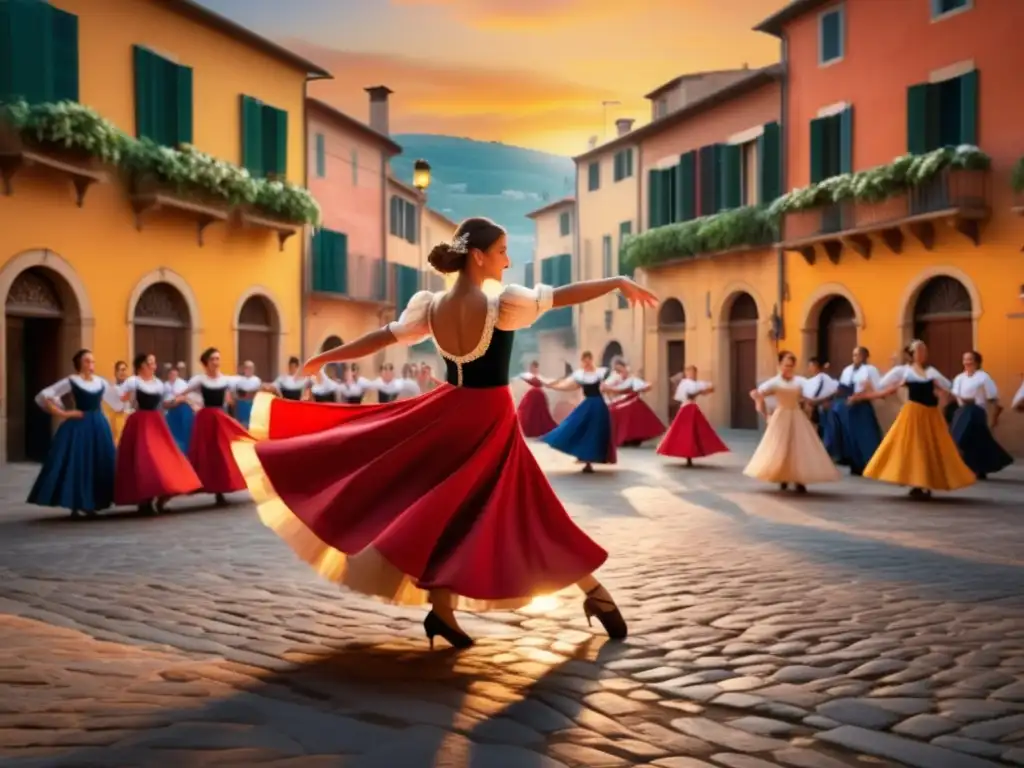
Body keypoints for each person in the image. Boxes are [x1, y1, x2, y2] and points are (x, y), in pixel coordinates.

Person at [230, 217, 657, 649]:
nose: (508, 261)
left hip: (450, 413)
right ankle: (593, 593)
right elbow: (563, 296)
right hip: (488, 419)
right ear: (478, 256)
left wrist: (327, 358)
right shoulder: (502, 305)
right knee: (523, 505)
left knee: (453, 510)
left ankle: (444, 610)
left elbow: (381, 338)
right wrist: (618, 281)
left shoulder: (431, 307)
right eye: (502, 251)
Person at [854, 339, 975, 499]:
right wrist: (892, 383)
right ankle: (918, 483)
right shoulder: (904, 371)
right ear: (911, 354)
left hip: (931, 414)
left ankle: (926, 483)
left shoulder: (931, 372)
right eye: (919, 351)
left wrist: (941, 390)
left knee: (932, 448)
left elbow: (947, 385)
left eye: (924, 351)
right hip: (914, 413)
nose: (923, 354)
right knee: (916, 448)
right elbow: (882, 384)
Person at [28, 349, 124, 517]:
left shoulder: (101, 382)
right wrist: (65, 414)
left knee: (98, 461)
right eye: (87, 361)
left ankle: (93, 501)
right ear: (79, 363)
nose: (91, 364)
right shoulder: (72, 381)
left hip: (98, 425)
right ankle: (75, 502)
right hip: (79, 425)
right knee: (78, 462)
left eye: (92, 361)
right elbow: (43, 396)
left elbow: (117, 404)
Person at [115, 353, 202, 513]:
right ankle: (144, 499)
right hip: (140, 423)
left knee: (165, 459)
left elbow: (164, 404)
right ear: (142, 365)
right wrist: (124, 403)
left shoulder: (159, 384)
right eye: (151, 363)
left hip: (156, 423)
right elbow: (118, 398)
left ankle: (162, 496)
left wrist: (182, 400)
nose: (154, 366)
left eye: (154, 363)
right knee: (144, 460)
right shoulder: (133, 381)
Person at [745, 351, 841, 493]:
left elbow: (807, 398)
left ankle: (799, 479)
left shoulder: (800, 381)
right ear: (779, 365)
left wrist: (820, 402)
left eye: (791, 366)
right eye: (785, 365)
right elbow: (757, 395)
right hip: (781, 415)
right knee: (781, 447)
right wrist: (765, 414)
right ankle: (782, 477)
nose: (788, 369)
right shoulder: (774, 382)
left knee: (799, 447)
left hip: (797, 415)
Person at [176, 347, 251, 506]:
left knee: (222, 453)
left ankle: (220, 491)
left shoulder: (226, 380)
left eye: (218, 359)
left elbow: (238, 395)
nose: (216, 362)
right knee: (205, 453)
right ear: (206, 363)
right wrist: (193, 405)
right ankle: (193, 484)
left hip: (219, 418)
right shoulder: (200, 379)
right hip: (205, 419)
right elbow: (181, 394)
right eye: (213, 359)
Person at [540, 351, 617, 473]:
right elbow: (570, 386)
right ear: (582, 362)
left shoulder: (601, 373)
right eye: (584, 361)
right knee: (575, 425)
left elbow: (608, 387)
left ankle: (590, 461)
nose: (587, 363)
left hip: (599, 406)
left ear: (592, 360)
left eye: (588, 360)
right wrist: (553, 387)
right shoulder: (580, 375)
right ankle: (584, 458)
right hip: (587, 405)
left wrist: (611, 391)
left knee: (595, 433)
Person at [948, 350, 1012, 480]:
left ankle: (978, 468)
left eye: (970, 359)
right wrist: (962, 403)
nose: (967, 362)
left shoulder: (983, 377)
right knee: (958, 438)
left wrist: (994, 415)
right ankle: (966, 467)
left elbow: (992, 396)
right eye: (965, 359)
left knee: (975, 440)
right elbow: (956, 394)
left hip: (976, 411)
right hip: (962, 411)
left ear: (977, 362)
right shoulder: (960, 377)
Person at [826, 347, 883, 474]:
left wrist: (863, 393)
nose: (855, 357)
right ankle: (853, 463)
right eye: (854, 355)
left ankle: (870, 464)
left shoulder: (870, 370)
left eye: (858, 355)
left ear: (864, 356)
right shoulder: (847, 370)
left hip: (862, 406)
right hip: (847, 406)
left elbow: (877, 388)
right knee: (849, 436)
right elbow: (842, 386)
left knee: (866, 435)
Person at [657, 365, 728, 466]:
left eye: (693, 372)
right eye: (689, 372)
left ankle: (692, 454)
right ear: (686, 373)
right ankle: (686, 454)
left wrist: (703, 391)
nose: (691, 374)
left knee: (697, 432)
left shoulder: (697, 383)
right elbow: (686, 396)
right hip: (686, 408)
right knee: (685, 433)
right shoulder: (684, 383)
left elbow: (711, 388)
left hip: (693, 407)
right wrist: (699, 392)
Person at [605, 359, 665, 448]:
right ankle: (615, 438)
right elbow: (604, 388)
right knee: (611, 411)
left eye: (621, 370)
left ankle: (632, 437)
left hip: (631, 402)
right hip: (618, 402)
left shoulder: (632, 379)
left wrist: (643, 388)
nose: (620, 373)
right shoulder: (613, 379)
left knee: (632, 409)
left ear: (625, 369)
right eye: (617, 371)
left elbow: (645, 387)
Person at [515, 360, 557, 438]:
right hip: (531, 396)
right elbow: (519, 379)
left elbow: (547, 382)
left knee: (540, 413)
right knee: (527, 412)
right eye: (532, 367)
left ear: (537, 368)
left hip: (539, 396)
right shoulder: (527, 375)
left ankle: (537, 429)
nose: (534, 369)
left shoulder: (539, 376)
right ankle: (528, 429)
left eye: (535, 367)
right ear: (530, 367)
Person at [163, 365, 195, 455]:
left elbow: (184, 398)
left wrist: (176, 401)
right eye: (171, 373)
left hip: (181, 413)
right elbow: (164, 402)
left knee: (183, 437)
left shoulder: (182, 384)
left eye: (174, 373)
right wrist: (173, 401)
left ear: (177, 374)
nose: (172, 375)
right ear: (168, 374)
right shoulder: (165, 385)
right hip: (170, 414)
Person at [107, 359, 132, 446]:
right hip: (118, 424)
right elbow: (119, 407)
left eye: (124, 369)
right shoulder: (113, 389)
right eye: (120, 370)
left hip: (128, 422)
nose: (123, 372)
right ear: (116, 373)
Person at [232, 360, 262, 429]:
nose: (249, 370)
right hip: (241, 407)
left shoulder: (257, 380)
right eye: (247, 368)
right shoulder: (238, 380)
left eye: (251, 368)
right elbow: (235, 394)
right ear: (244, 369)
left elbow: (259, 394)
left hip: (252, 406)